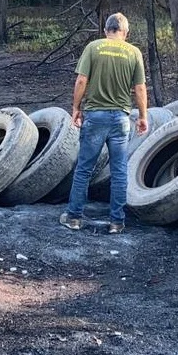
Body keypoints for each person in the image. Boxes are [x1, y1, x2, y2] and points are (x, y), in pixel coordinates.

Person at [60, 12, 148, 234]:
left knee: (84, 170)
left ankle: (74, 218)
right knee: (119, 172)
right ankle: (117, 222)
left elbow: (81, 80)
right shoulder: (134, 52)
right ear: (125, 33)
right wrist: (143, 116)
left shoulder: (93, 48)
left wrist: (76, 108)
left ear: (106, 30)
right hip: (121, 118)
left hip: (95, 117)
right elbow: (139, 88)